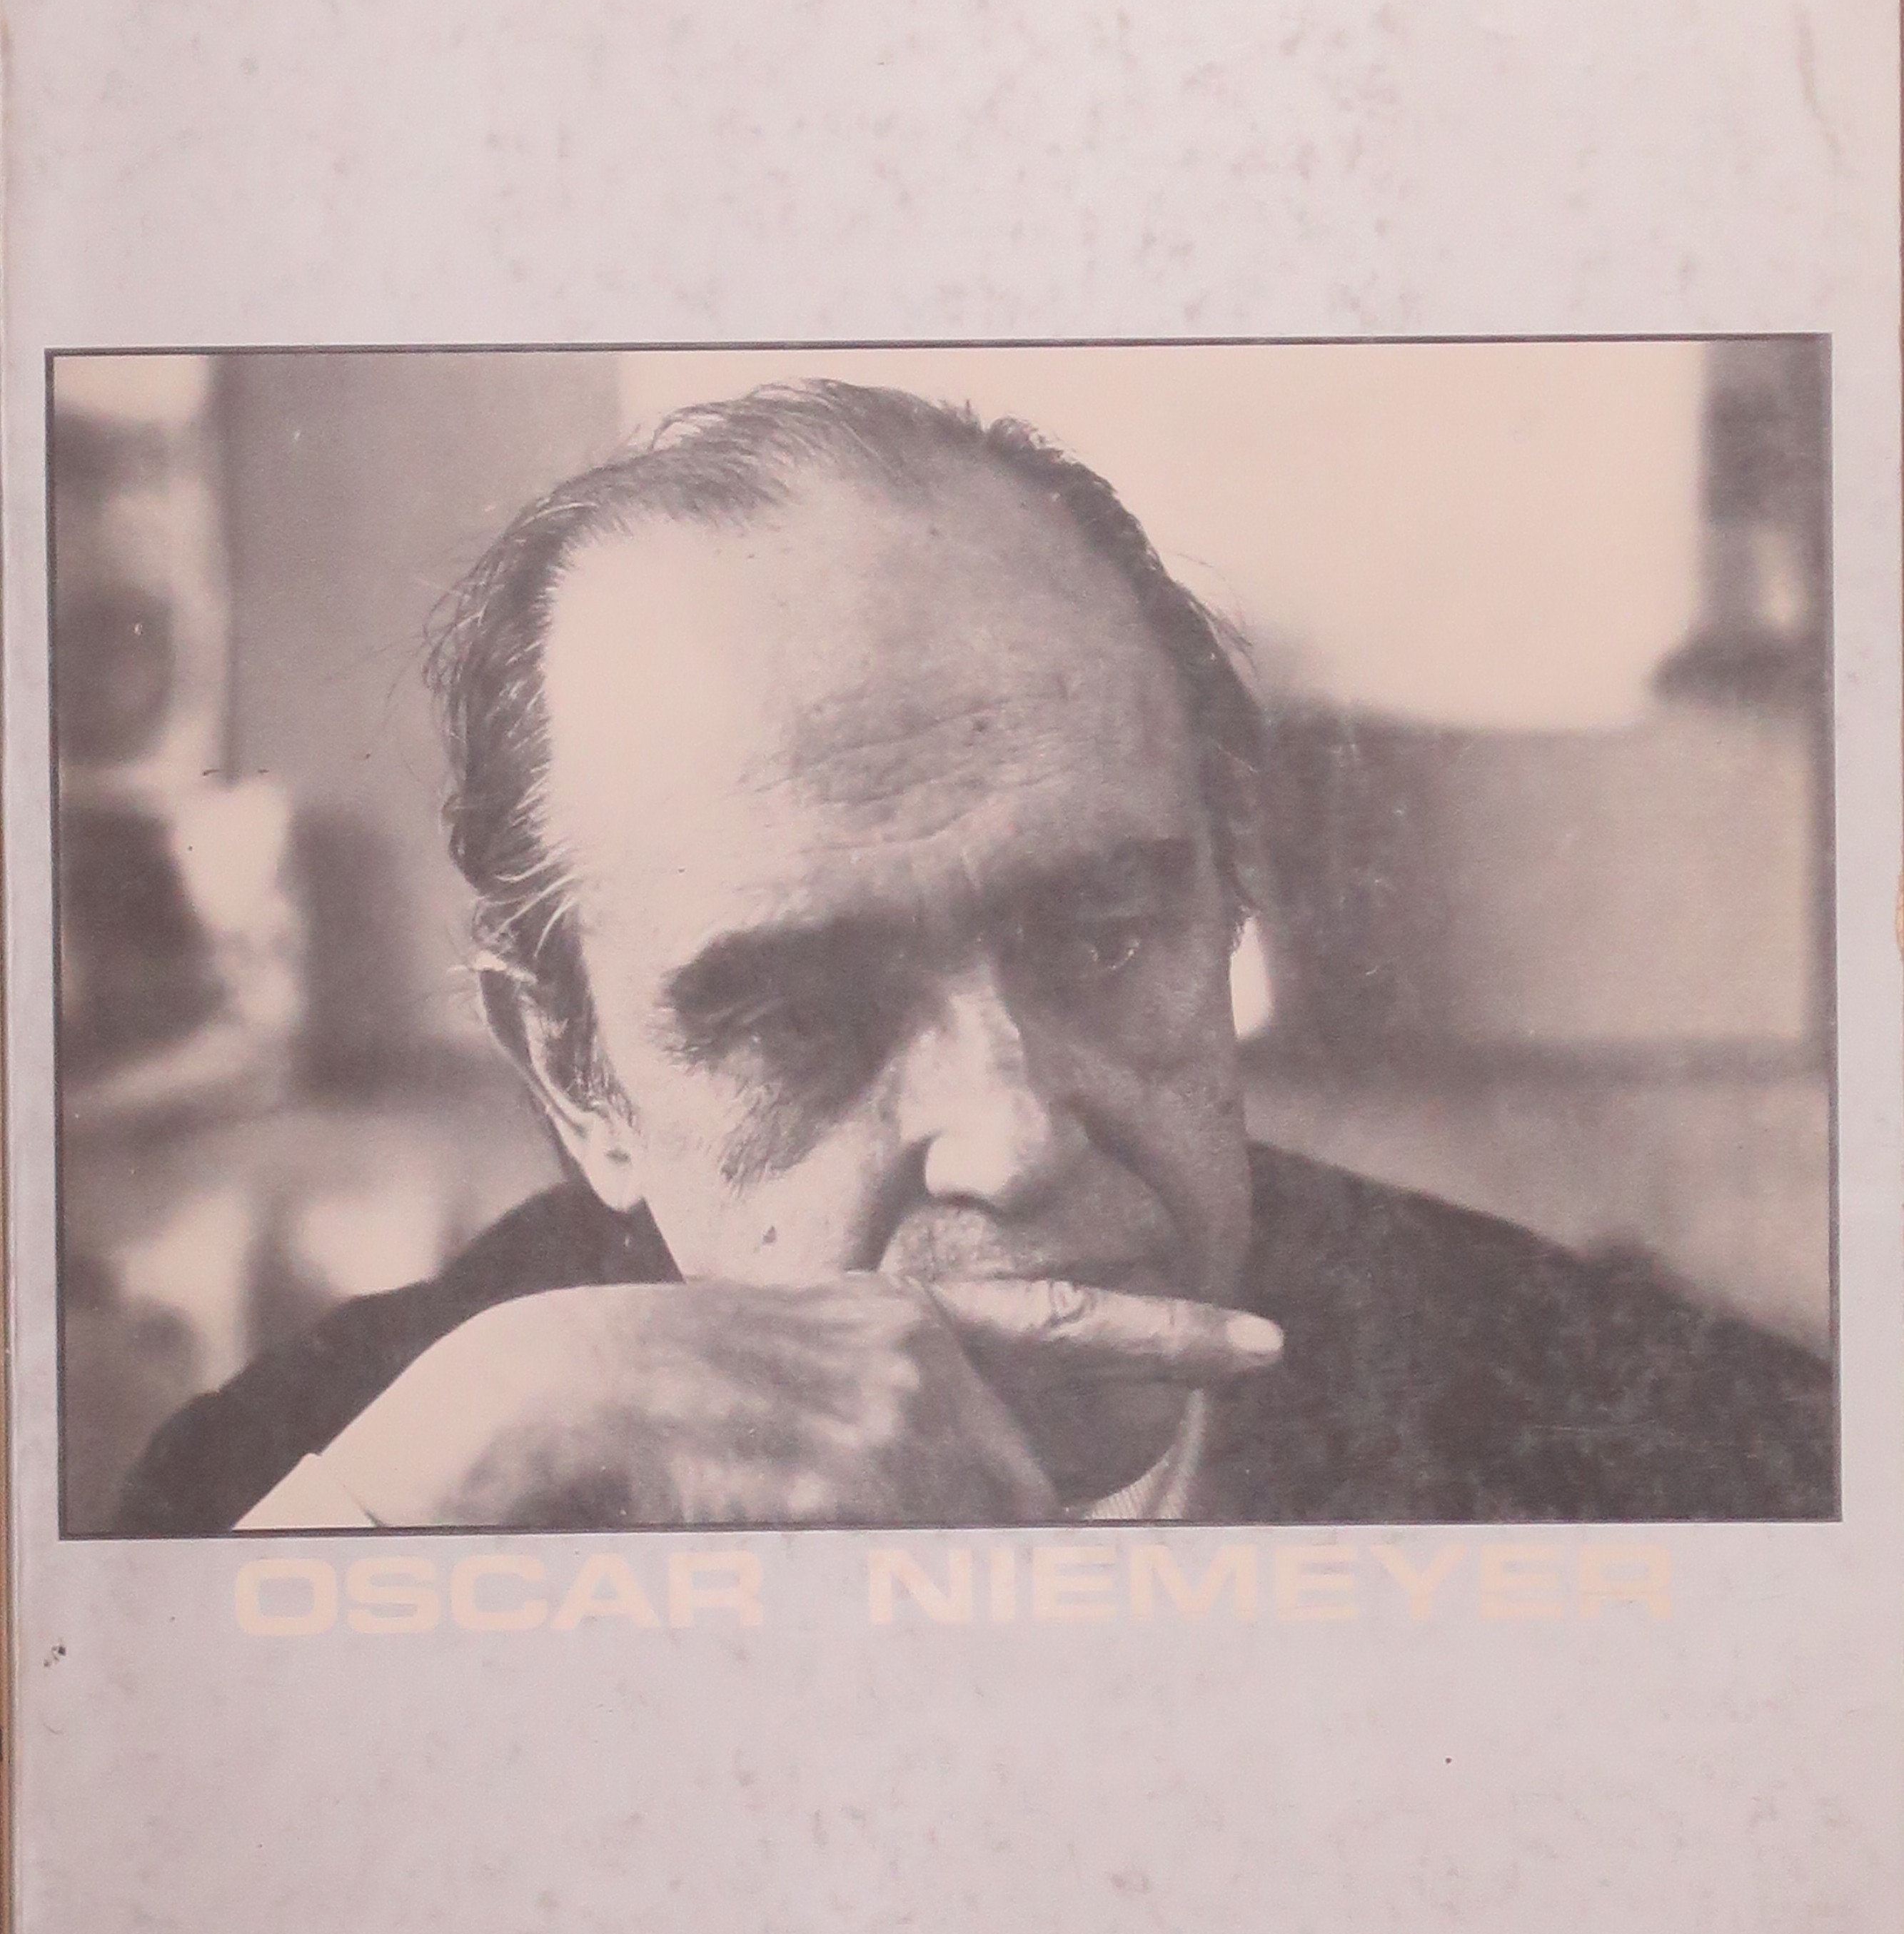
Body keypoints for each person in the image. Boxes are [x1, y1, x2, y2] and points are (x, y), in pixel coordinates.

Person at [118, 381, 1833, 1534]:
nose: (1010, 1143)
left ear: (1230, 886)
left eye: (1104, 936)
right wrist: (398, 1521)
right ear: (581, 1080)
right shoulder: (326, 1485)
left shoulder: (1686, 1452)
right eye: (801, 1017)